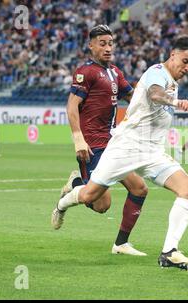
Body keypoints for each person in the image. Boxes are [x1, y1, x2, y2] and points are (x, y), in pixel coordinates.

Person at [53, 35, 188, 269]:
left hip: (152, 152)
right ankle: (63, 203)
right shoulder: (157, 73)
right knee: (91, 197)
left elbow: (141, 97)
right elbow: (154, 94)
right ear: (173, 54)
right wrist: (175, 102)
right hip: (126, 146)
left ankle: (169, 252)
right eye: (185, 61)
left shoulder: (173, 82)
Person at [52, 25, 149, 256]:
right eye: (102, 43)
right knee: (102, 205)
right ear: (91, 45)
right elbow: (72, 105)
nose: (107, 48)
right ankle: (75, 186)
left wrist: (154, 95)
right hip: (92, 145)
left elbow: (133, 97)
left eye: (110, 43)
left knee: (139, 188)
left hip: (114, 144)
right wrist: (78, 140)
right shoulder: (85, 72)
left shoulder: (115, 72)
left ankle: (121, 244)